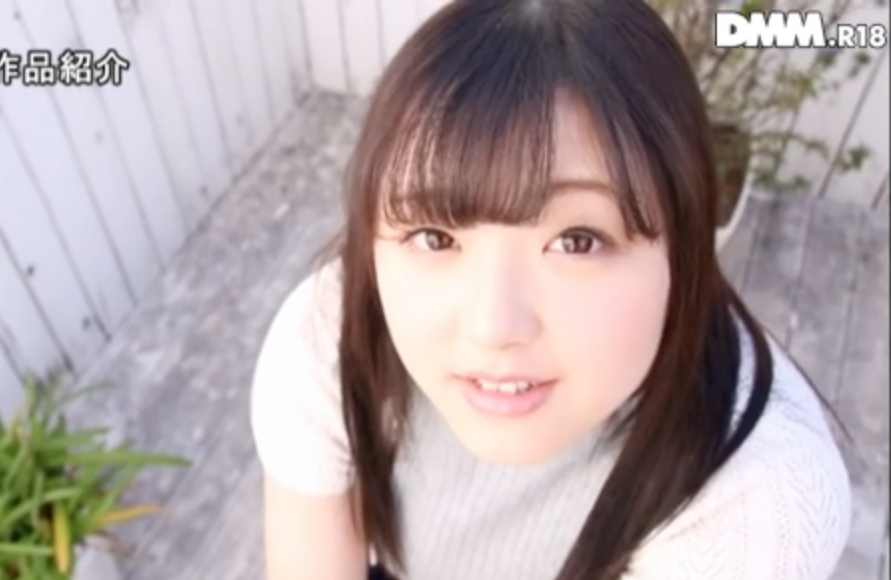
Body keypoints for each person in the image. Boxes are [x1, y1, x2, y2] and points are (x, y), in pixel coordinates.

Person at [249, 1, 852, 579]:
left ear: (684, 242)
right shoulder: (329, 336)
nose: (493, 325)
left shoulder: (755, 496)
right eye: (435, 237)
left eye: (577, 241)